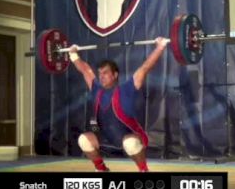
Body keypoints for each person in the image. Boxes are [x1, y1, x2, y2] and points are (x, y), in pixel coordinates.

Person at [69, 37, 168, 172]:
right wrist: (73, 53)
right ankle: (102, 169)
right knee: (83, 140)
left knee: (131, 144)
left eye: (105, 73)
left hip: (129, 136)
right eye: (100, 74)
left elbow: (145, 68)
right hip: (105, 138)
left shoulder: (126, 89)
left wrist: (160, 47)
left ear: (115, 75)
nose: (101, 76)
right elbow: (85, 70)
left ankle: (144, 170)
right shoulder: (96, 89)